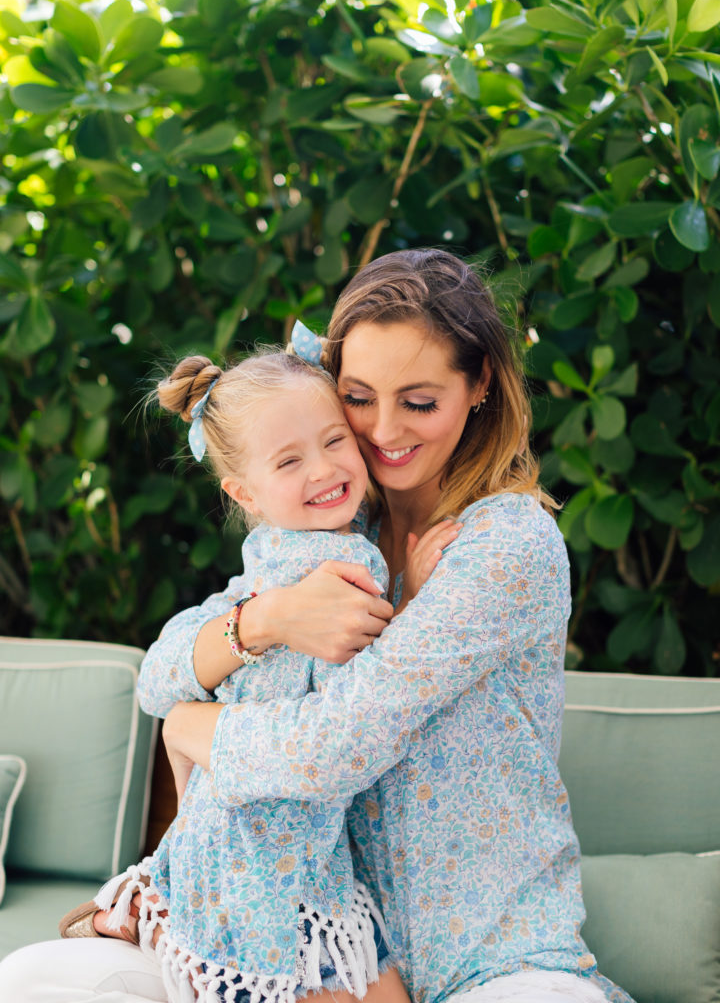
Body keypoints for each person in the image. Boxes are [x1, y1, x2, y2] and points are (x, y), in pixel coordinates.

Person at [0, 248, 634, 1003]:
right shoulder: (328, 524)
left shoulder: (507, 542)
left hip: (492, 960)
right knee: (40, 979)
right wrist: (268, 619)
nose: (382, 431)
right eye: (358, 399)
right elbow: (162, 672)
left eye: (420, 402)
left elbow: (337, 745)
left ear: (481, 386)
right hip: (321, 947)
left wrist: (195, 730)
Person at [61, 342, 432, 1003]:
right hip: (262, 870)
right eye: (290, 460)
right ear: (244, 492)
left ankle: (147, 897)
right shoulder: (322, 567)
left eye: (334, 440)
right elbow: (364, 704)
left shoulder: (280, 555)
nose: (322, 469)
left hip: (298, 856)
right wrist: (413, 596)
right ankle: (151, 900)